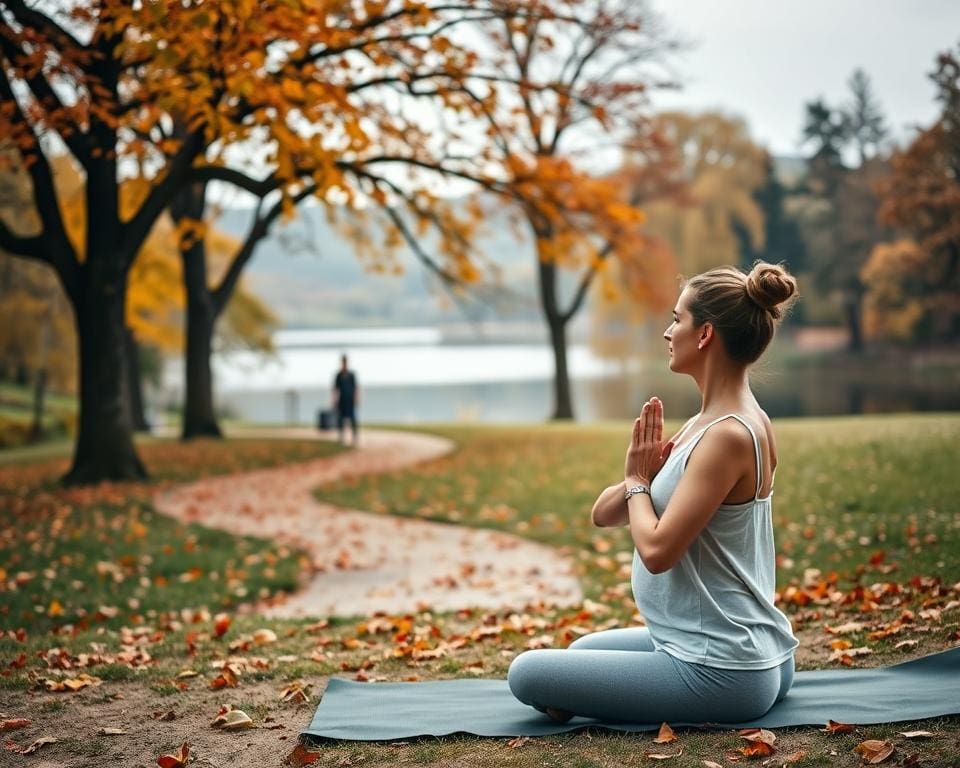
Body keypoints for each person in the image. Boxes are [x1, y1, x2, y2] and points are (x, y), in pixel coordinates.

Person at [508, 261, 801, 725]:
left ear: (704, 334)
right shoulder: (710, 423)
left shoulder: (728, 435)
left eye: (677, 319)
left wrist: (639, 484)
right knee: (581, 650)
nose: (668, 331)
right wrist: (633, 477)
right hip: (737, 647)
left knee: (526, 672)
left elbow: (659, 551)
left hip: (721, 672)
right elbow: (606, 514)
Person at [332, 353, 359, 446]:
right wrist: (334, 400)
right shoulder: (338, 375)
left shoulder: (351, 375)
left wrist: (356, 398)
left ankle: (354, 437)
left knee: (353, 419)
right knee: (341, 420)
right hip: (342, 400)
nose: (344, 364)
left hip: (350, 400)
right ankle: (341, 437)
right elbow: (335, 389)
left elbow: (356, 388)